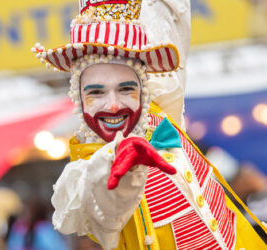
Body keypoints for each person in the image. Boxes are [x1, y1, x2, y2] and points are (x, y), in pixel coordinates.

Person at [33, 0, 267, 249]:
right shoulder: (84, 173)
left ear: (143, 89)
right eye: (96, 93)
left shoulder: (160, 111)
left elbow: (169, 22)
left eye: (126, 89)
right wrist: (117, 161)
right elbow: (102, 201)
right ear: (78, 99)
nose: (113, 105)